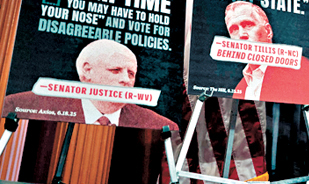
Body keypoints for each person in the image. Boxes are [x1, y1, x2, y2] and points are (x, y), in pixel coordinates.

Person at [1, 39, 179, 130]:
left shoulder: (159, 126)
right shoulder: (21, 106)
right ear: (87, 71)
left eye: (131, 73)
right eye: (115, 70)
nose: (126, 80)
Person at [224, 1, 309, 104]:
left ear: (268, 31)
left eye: (248, 25)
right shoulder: (240, 88)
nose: (241, 35)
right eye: (233, 29)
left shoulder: (300, 69)